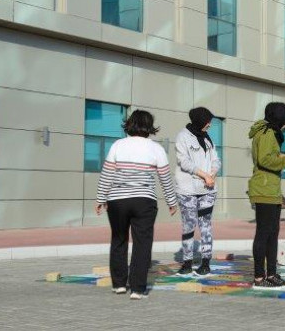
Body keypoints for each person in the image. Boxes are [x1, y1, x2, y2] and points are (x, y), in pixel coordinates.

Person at [95, 110, 178, 300]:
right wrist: (172, 202)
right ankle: (138, 289)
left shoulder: (118, 145)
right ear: (149, 126)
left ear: (130, 124)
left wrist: (101, 198)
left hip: (117, 200)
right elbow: (165, 177)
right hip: (144, 201)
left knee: (118, 239)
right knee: (142, 243)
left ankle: (118, 285)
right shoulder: (156, 148)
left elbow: (107, 174)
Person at [248, 102, 285, 289]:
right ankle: (258, 277)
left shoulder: (271, 133)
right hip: (263, 190)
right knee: (263, 234)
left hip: (271, 190)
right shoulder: (266, 133)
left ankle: (271, 274)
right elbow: (264, 160)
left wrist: (282, 159)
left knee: (273, 234)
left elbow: (270, 156)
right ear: (279, 119)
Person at [174, 107, 221, 276]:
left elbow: (216, 159)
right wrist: (204, 175)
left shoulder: (208, 138)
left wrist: (212, 174)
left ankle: (205, 262)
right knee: (188, 225)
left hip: (208, 189)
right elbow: (184, 162)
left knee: (205, 225)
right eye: (207, 121)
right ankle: (187, 263)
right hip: (187, 190)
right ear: (199, 120)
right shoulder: (183, 137)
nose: (209, 124)